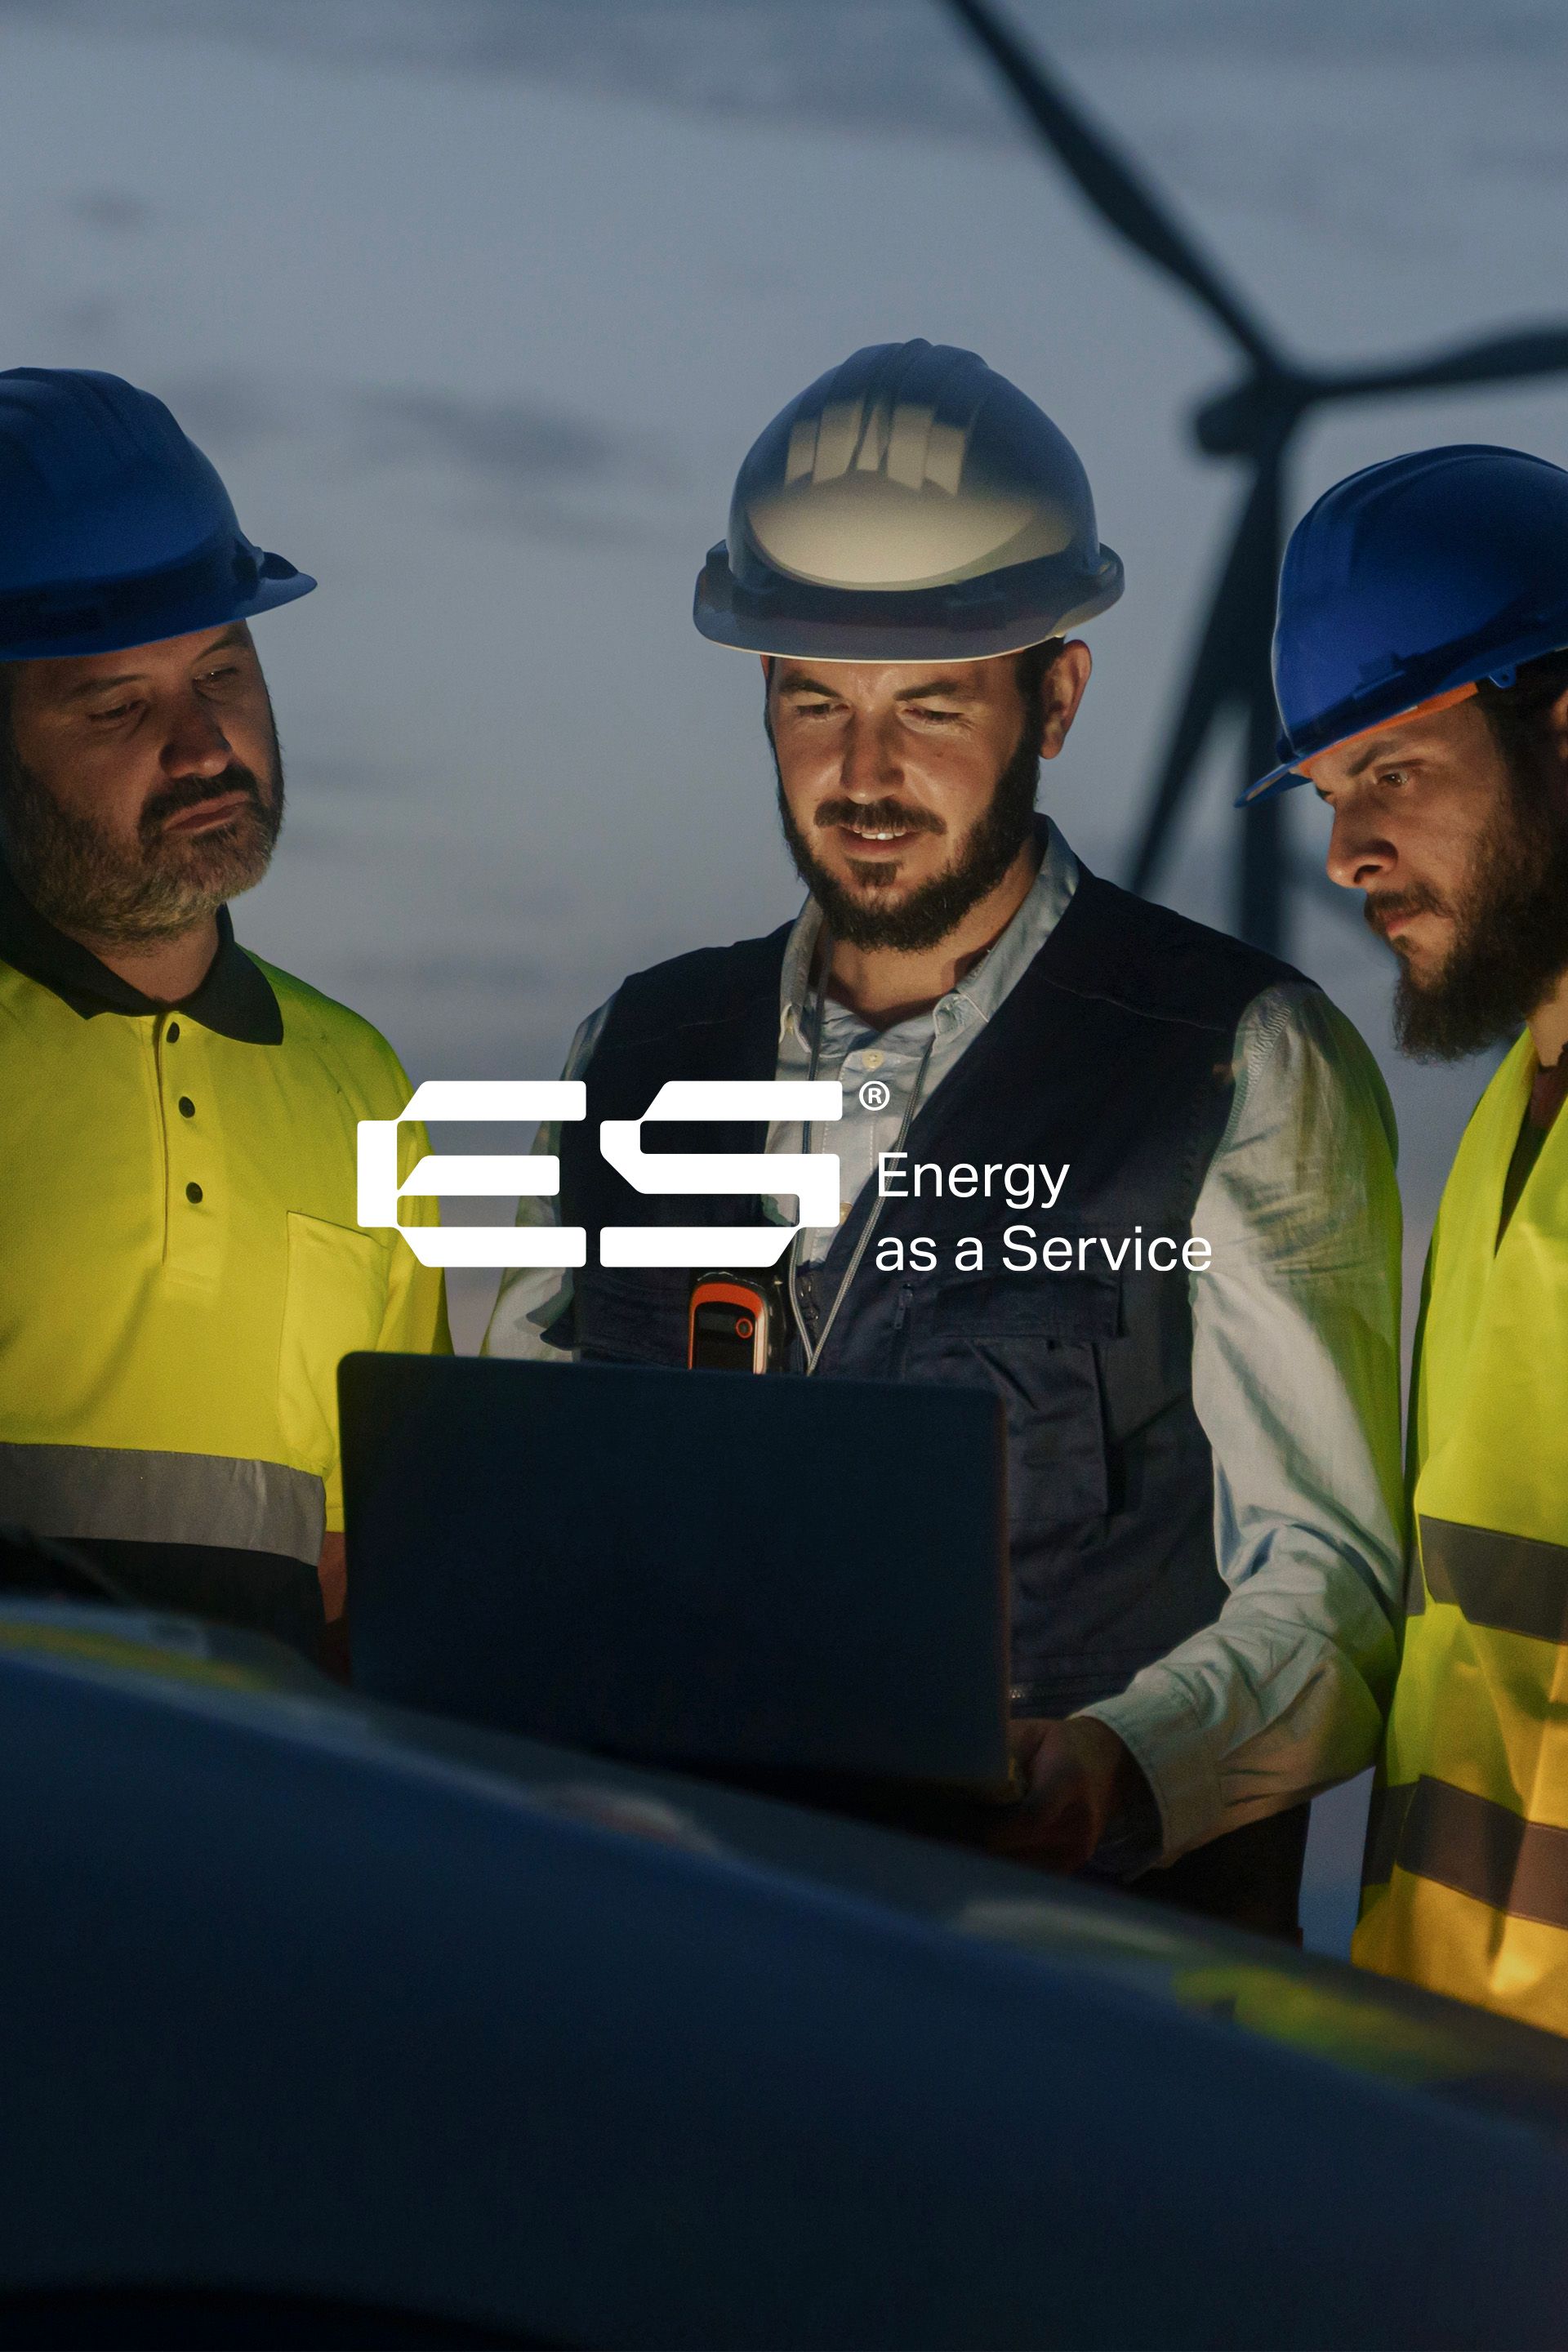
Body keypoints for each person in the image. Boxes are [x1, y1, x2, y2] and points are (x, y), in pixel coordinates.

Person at [486, 341, 1404, 1936]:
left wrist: (1120, 1765)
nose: (864, 774)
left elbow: (1329, 1596)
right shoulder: (630, 1059)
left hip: (1089, 2034)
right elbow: (507, 1504)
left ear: (1056, 695)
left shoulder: (1237, 1064)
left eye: (931, 704)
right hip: (684, 1974)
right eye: (812, 701)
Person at [0, 368, 448, 1661]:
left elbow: (380, 1574)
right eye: (119, 706)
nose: (204, 747)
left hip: (253, 1839)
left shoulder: (363, 1091)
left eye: (222, 669)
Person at [1250, 444, 1568, 2025]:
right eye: (1325, 793)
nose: (1344, 854)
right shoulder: (1517, 1102)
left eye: (1395, 770)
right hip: (1465, 2060)